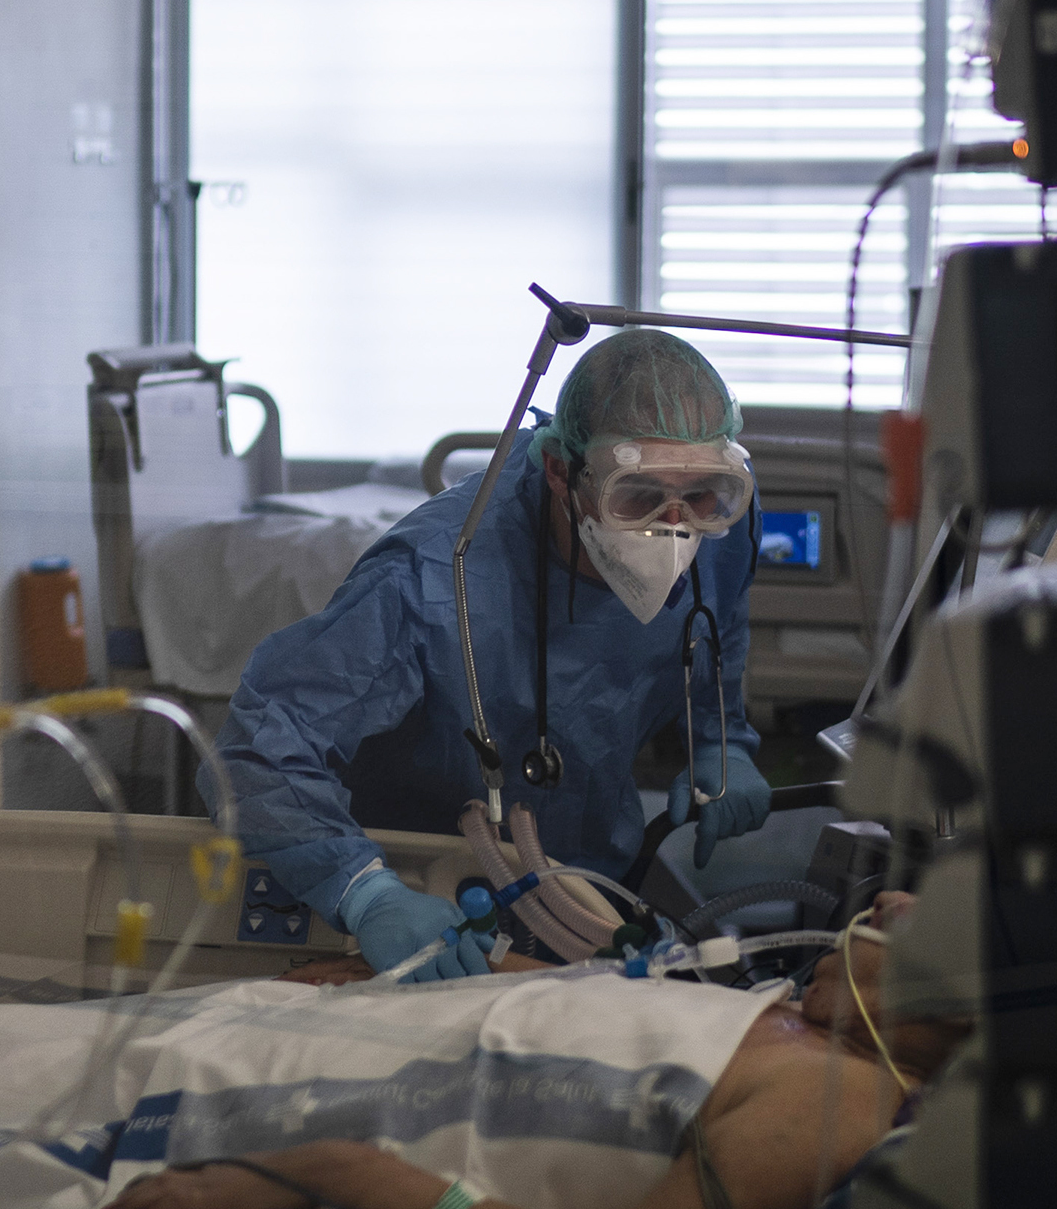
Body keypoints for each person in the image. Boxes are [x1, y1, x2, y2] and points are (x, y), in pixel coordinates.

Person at [103, 893, 964, 1209]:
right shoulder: (793, 1021)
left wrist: (347, 1175)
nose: (889, 896)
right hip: (257, 1038)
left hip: (208, 1121)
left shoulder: (838, 1096)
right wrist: (426, 973)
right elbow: (605, 1038)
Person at [212, 328, 774, 983]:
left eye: (702, 497)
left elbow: (716, 624)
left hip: (587, 887)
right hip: (427, 902)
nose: (673, 528)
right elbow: (258, 747)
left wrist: (721, 738)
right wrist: (365, 894)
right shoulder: (429, 583)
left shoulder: (719, 526)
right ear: (561, 472)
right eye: (636, 496)